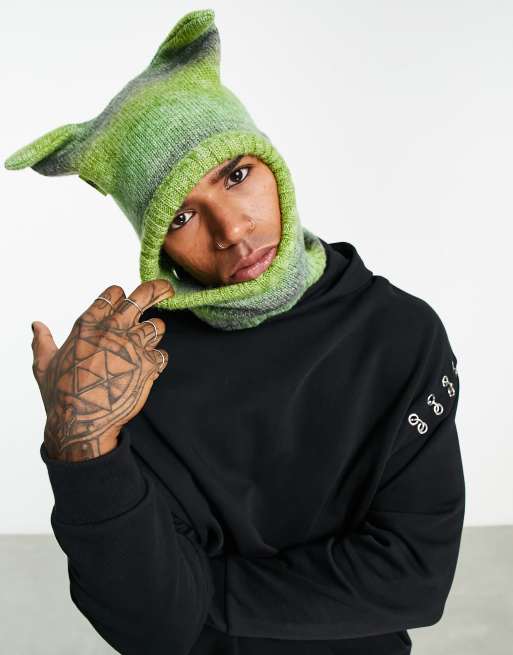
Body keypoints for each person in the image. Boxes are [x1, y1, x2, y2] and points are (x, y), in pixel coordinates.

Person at [4, 8, 465, 655]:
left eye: (236, 175)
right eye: (181, 215)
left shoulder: (400, 335)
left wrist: (202, 592)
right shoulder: (135, 369)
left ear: (271, 164)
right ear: (157, 246)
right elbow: (150, 626)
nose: (231, 229)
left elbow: (414, 578)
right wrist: (84, 448)